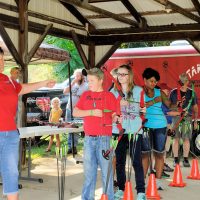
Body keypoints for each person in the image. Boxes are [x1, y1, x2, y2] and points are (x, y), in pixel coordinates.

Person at [0, 47, 56, 200]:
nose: (1, 62)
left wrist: (43, 83)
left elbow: (22, 88)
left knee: (11, 172)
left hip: (10, 134)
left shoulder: (8, 80)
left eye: (2, 59)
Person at [73, 67, 118, 200]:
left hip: (104, 139)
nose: (89, 83)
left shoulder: (109, 96)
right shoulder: (86, 95)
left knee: (107, 173)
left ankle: (108, 197)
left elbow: (115, 115)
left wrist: (116, 118)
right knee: (89, 173)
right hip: (88, 139)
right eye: (88, 80)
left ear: (101, 80)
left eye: (92, 80)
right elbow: (75, 112)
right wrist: (91, 112)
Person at [110, 65, 146, 200]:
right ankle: (121, 188)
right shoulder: (113, 91)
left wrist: (143, 112)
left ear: (130, 76)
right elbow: (109, 110)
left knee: (136, 161)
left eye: (124, 74)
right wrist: (117, 107)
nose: (121, 77)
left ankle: (141, 191)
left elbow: (142, 108)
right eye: (119, 74)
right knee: (120, 161)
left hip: (135, 130)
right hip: (118, 130)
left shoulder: (138, 90)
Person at [141, 67, 175, 190]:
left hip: (160, 125)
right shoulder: (139, 92)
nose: (154, 84)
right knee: (145, 155)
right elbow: (140, 106)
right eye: (151, 81)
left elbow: (169, 105)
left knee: (159, 154)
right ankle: (143, 182)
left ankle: (158, 181)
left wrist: (177, 104)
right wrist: (155, 100)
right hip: (145, 126)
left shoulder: (159, 92)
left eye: (155, 82)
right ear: (144, 80)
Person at [170, 73, 198, 167]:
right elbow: (170, 106)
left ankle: (185, 159)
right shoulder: (174, 92)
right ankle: (176, 159)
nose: (183, 83)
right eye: (181, 81)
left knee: (186, 139)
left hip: (187, 118)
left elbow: (195, 107)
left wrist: (194, 121)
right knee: (176, 138)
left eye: (184, 81)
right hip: (177, 118)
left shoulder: (191, 93)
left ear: (187, 81)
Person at [63, 68, 88, 154]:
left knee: (76, 126)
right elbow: (65, 92)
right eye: (75, 76)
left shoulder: (86, 86)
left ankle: (74, 146)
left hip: (79, 110)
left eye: (78, 76)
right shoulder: (73, 84)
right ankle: (70, 146)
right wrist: (72, 83)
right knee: (69, 126)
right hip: (69, 108)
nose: (76, 77)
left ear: (82, 76)